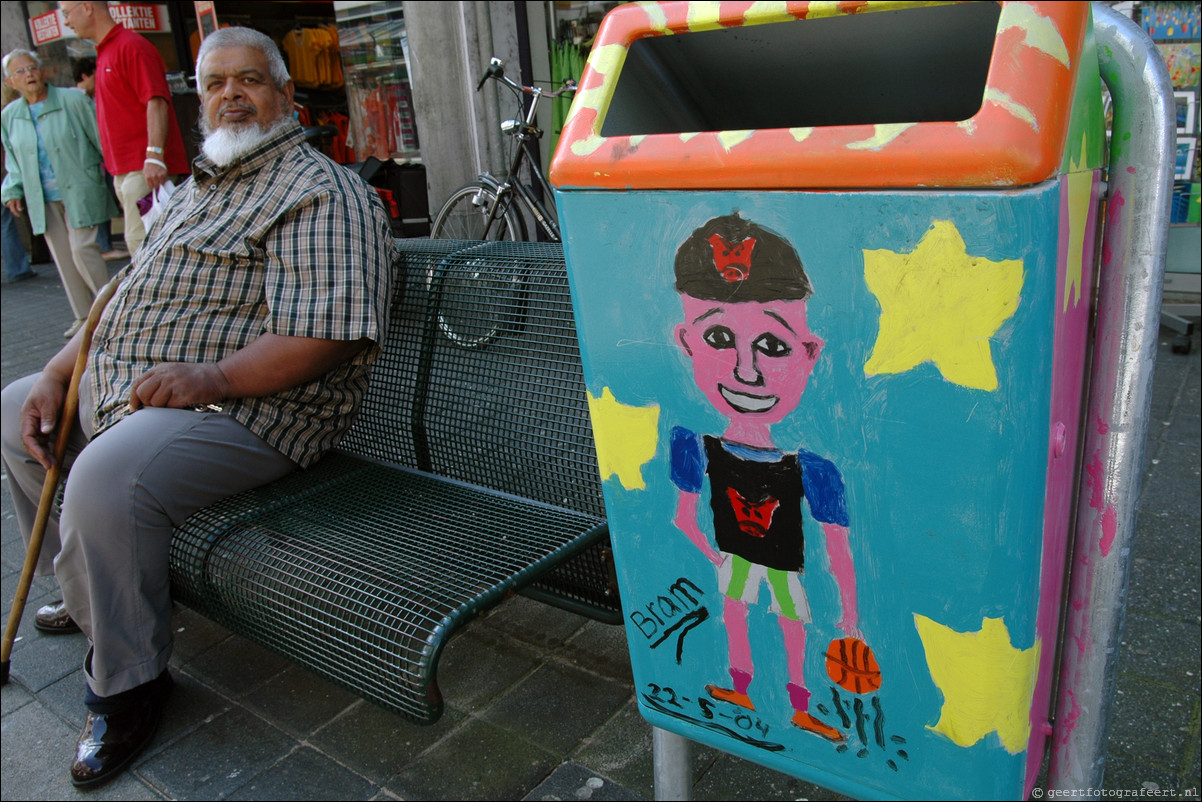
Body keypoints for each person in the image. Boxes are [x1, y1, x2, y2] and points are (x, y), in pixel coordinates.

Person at [0, 27, 396, 787]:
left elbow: (329, 336)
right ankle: (88, 591)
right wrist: (56, 370)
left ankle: (128, 684)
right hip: (136, 386)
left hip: (254, 411)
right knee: (17, 408)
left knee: (104, 479)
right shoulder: (191, 190)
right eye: (215, 83)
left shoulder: (321, 190)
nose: (230, 95)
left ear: (286, 97)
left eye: (250, 80)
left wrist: (212, 378)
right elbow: (118, 296)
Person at [669, 214, 861, 742]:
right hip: (738, 557)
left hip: (777, 564)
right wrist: (716, 557)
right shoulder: (695, 446)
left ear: (809, 352)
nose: (746, 372)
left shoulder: (813, 469)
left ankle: (799, 703)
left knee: (789, 624)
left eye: (772, 346)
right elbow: (683, 518)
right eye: (719, 338)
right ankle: (742, 686)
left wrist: (849, 619)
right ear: (686, 342)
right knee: (737, 613)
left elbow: (838, 547)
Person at [2, 50, 117, 337]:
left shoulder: (73, 100)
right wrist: (12, 189)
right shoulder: (9, 116)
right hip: (41, 195)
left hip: (80, 186)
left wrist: (117, 173)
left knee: (82, 250)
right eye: (20, 71)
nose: (28, 74)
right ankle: (82, 318)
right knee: (63, 258)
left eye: (32, 68)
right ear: (10, 82)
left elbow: (100, 137)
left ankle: (112, 309)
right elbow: (13, 161)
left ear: (43, 72)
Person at [58, 1, 189, 255]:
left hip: (144, 169)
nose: (65, 21)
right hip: (130, 170)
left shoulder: (130, 46)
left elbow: (156, 101)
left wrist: (154, 156)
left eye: (66, 13)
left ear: (86, 7)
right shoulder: (108, 50)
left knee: (143, 247)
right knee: (144, 246)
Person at [72, 56, 126, 263]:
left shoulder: (92, 97)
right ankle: (104, 246)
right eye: (95, 74)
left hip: (104, 158)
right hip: (95, 161)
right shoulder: (79, 99)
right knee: (101, 201)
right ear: (85, 75)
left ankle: (105, 245)